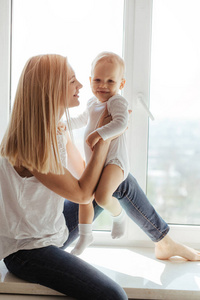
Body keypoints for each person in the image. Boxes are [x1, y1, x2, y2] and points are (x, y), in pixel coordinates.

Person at [0, 55, 199, 300]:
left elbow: (85, 172)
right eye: (73, 81)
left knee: (116, 179)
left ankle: (163, 241)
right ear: (51, 89)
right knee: (114, 296)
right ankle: (162, 241)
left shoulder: (57, 129)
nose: (81, 87)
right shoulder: (33, 143)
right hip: (29, 251)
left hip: (52, 229)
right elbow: (83, 193)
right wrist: (104, 137)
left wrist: (110, 140)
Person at [69, 52, 130, 256]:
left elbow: (122, 123)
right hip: (95, 160)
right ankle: (86, 236)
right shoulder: (91, 103)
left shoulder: (117, 102)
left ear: (121, 84)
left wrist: (99, 133)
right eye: (97, 80)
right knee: (84, 197)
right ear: (90, 80)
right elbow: (80, 120)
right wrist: (61, 125)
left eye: (110, 81)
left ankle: (119, 215)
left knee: (102, 197)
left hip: (114, 161)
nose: (103, 85)